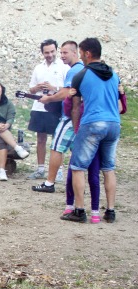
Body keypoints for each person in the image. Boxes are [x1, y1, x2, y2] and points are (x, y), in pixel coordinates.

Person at [62, 38, 121, 223]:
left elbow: (76, 107)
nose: (80, 56)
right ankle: (110, 211)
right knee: (108, 168)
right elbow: (119, 102)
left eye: (80, 52)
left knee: (78, 167)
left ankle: (79, 211)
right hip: (113, 124)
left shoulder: (81, 75)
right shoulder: (114, 74)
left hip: (93, 123)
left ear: (87, 53)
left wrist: (76, 128)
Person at [32, 41, 84, 193]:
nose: (61, 56)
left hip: (69, 116)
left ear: (75, 52)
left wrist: (48, 99)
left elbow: (66, 92)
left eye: (64, 53)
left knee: (56, 147)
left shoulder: (73, 70)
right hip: (78, 116)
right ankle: (78, 184)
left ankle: (49, 183)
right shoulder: (81, 69)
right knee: (76, 150)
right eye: (61, 53)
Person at [27, 39, 69, 180]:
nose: (49, 54)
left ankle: (58, 170)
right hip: (39, 106)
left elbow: (67, 89)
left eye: (52, 51)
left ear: (56, 50)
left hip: (55, 108)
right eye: (46, 52)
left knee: (56, 139)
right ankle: (40, 168)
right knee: (40, 139)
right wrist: (37, 87)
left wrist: (54, 88)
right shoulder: (38, 68)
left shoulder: (64, 67)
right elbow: (31, 89)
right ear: (42, 53)